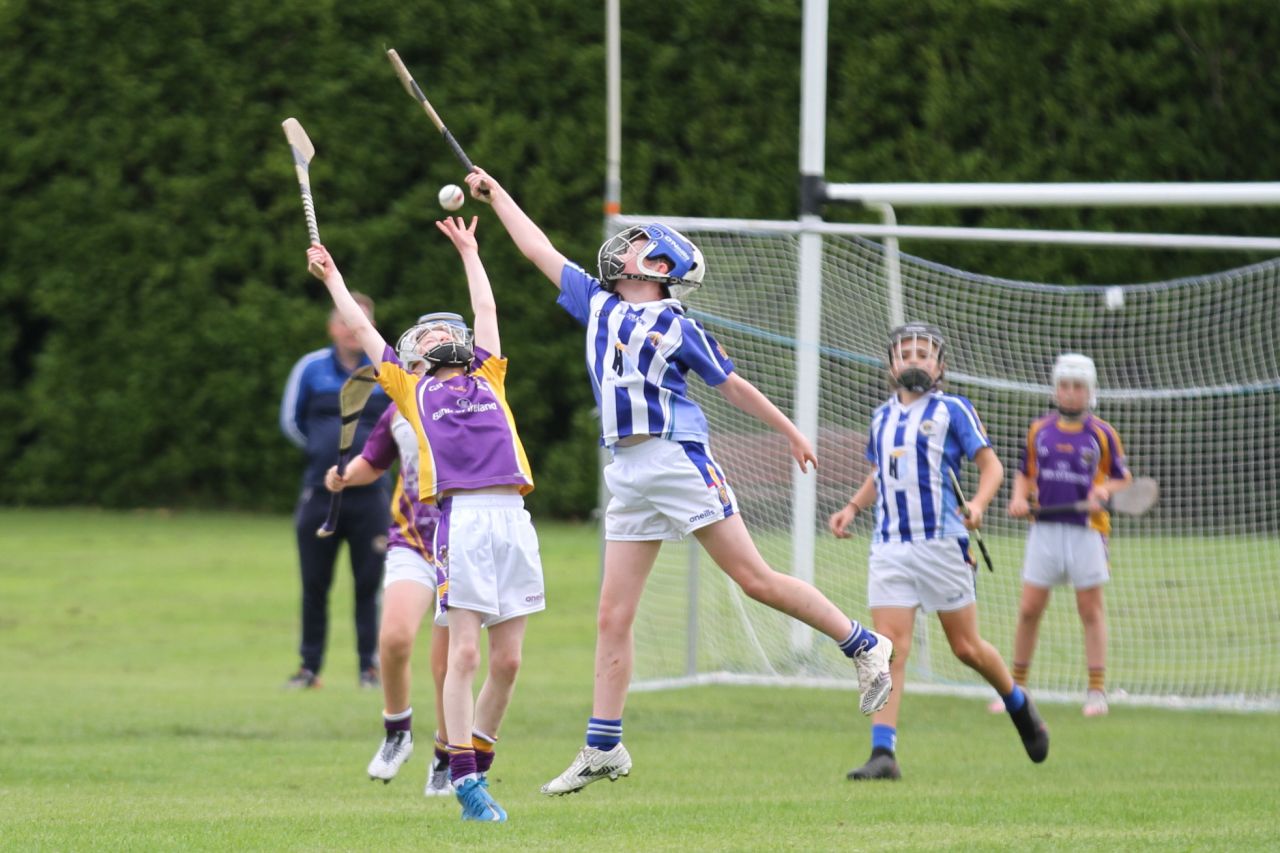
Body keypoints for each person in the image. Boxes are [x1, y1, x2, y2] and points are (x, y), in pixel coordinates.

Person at [463, 166, 893, 797]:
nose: (624, 247)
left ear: (660, 266)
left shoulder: (678, 325)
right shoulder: (597, 301)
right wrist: (497, 194)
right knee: (612, 615)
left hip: (675, 458)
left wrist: (790, 431)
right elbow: (537, 248)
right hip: (628, 473)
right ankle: (603, 746)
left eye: (639, 244)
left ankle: (863, 644)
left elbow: (733, 385)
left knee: (755, 580)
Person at [306, 215, 543, 824]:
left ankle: (473, 762)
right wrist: (333, 277)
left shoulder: (489, 370)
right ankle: (465, 784)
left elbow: (485, 306)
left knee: (509, 662)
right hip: (460, 521)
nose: (439, 334)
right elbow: (360, 326)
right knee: (463, 655)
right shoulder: (409, 389)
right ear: (412, 352)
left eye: (446, 329)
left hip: (514, 518)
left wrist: (469, 250)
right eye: (427, 331)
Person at [829, 322, 1049, 781]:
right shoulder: (880, 418)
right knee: (888, 650)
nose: (914, 360)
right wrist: (852, 506)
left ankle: (1018, 702)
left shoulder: (953, 410)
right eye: (905, 352)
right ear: (891, 364)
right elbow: (880, 475)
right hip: (889, 546)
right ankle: (883, 754)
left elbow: (991, 467)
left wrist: (979, 504)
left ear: (940, 366)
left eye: (924, 354)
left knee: (966, 647)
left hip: (943, 544)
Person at [322, 394, 452, 795]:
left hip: (463, 544)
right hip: (411, 541)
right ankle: (398, 731)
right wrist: (346, 475)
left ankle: (447, 758)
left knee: (448, 663)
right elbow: (374, 461)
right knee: (394, 640)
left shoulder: (478, 396)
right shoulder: (400, 406)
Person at [990, 352, 1132, 718]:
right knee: (1029, 609)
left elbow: (1122, 477)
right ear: (1056, 390)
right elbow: (1025, 472)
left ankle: (1097, 692)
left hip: (1087, 532)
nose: (1071, 393)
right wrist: (1020, 497)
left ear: (1090, 391)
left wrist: (1103, 491)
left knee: (1090, 609)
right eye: (1065, 386)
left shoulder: (1102, 433)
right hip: (1045, 530)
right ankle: (1017, 689)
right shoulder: (1040, 430)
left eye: (1078, 387)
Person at [279, 294, 391, 689]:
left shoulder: (386, 368)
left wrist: (365, 464)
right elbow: (292, 422)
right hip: (319, 494)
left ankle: (370, 668)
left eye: (360, 320)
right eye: (345, 320)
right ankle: (309, 668)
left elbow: (403, 425)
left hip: (373, 497)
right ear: (333, 327)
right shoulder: (310, 368)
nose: (351, 329)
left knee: (369, 585)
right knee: (314, 585)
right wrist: (325, 454)